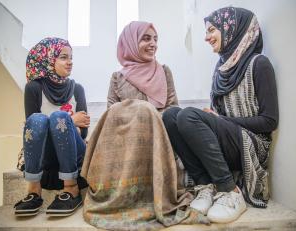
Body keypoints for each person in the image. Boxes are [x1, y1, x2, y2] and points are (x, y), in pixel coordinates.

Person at [81, 21, 208, 230]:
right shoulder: (117, 78)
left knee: (147, 112)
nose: (153, 44)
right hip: (127, 145)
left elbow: (173, 109)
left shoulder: (164, 71)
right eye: (146, 38)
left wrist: (147, 116)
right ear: (131, 42)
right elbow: (112, 115)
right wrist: (139, 115)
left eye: (155, 39)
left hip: (158, 141)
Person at [163, 7, 279, 223]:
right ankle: (206, 186)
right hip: (227, 140)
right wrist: (217, 118)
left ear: (232, 29)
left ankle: (230, 191)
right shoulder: (221, 69)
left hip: (251, 143)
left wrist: (221, 120)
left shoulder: (259, 64)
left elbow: (270, 121)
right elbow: (216, 118)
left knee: (188, 115)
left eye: (212, 30)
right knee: (171, 116)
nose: (206, 37)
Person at [14, 37, 90, 217]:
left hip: (73, 151)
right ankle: (34, 190)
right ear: (48, 59)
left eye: (71, 57)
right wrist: (71, 121)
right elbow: (33, 129)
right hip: (45, 154)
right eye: (64, 57)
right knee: (38, 120)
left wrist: (63, 121)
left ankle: (71, 188)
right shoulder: (34, 88)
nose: (70, 62)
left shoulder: (77, 88)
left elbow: (83, 130)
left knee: (58, 117)